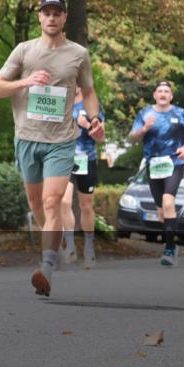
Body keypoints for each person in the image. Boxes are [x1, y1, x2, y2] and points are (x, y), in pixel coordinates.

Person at [0, 0, 104, 297]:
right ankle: (54, 241)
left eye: (57, 13)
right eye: (47, 13)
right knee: (37, 205)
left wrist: (95, 119)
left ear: (65, 18)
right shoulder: (24, 50)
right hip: (27, 138)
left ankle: (47, 269)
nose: (52, 18)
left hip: (62, 141)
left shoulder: (78, 54)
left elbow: (88, 91)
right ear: (40, 18)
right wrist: (25, 82)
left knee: (53, 201)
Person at [128, 81, 184, 267]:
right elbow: (132, 138)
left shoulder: (181, 113)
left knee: (169, 201)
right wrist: (144, 129)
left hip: (174, 162)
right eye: (159, 91)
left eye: (166, 91)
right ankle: (171, 242)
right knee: (161, 212)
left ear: (171, 96)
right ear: (154, 95)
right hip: (154, 165)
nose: (163, 94)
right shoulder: (145, 113)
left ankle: (169, 249)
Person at [59, 86, 105, 268]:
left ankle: (89, 247)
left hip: (86, 159)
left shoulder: (91, 105)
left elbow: (100, 137)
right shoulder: (58, 102)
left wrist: (87, 125)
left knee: (86, 205)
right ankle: (70, 245)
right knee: (64, 202)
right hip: (63, 158)